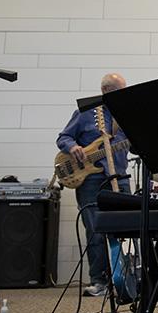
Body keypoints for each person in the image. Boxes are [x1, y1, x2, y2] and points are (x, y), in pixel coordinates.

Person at [57, 73, 130, 297]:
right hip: (90, 180)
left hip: (119, 178)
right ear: (106, 91)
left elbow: (135, 147)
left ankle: (124, 280)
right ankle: (99, 281)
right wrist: (73, 147)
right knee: (95, 231)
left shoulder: (127, 116)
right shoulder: (84, 113)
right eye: (120, 90)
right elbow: (63, 138)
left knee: (124, 230)